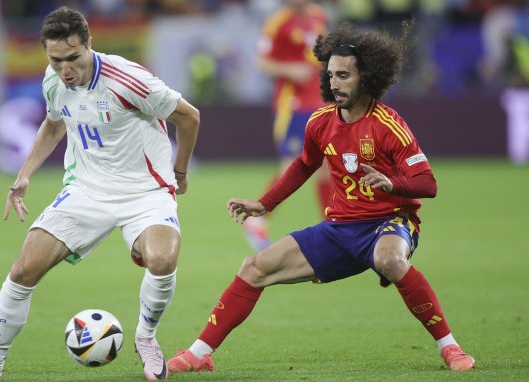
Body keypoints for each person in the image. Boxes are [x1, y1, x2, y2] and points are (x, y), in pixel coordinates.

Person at [166, 21, 476, 374]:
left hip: (389, 223)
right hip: (340, 229)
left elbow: (428, 183)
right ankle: (198, 353)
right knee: (254, 268)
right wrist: (265, 204)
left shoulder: (389, 125)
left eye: (344, 75)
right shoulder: (320, 122)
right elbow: (303, 165)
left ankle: (450, 348)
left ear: (367, 77)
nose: (334, 83)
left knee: (390, 259)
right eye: (330, 75)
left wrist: (392, 184)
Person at [0, 6, 199, 382]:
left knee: (162, 260)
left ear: (89, 46)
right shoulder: (53, 82)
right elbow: (53, 125)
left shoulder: (128, 79)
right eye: (55, 60)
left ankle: (146, 339)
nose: (65, 70)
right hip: (85, 191)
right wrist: (25, 175)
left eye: (72, 58)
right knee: (23, 269)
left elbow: (189, 116)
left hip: (145, 192)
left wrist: (179, 171)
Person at [244, 0, 332, 252]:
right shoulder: (276, 23)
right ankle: (258, 218)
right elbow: (261, 63)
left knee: (326, 164)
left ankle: (332, 224)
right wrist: (289, 69)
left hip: (319, 101)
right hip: (292, 105)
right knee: (292, 164)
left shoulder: (319, 16)